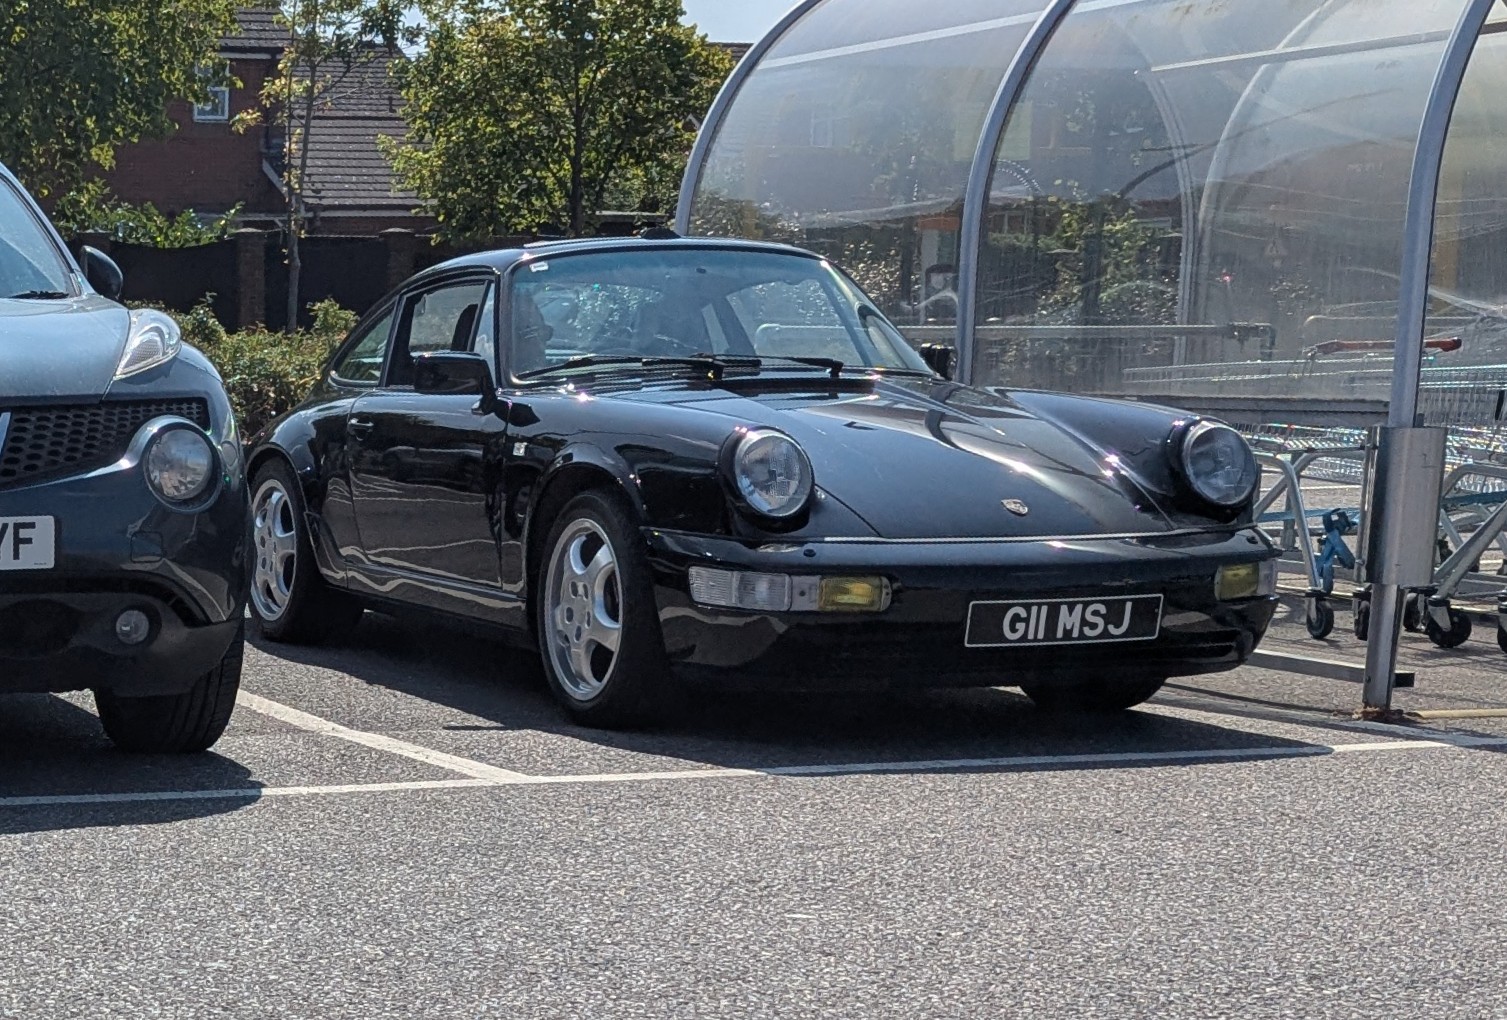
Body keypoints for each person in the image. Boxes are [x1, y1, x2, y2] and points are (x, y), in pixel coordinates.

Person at [512, 289, 554, 373]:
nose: (540, 345)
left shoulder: (556, 370)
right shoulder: (508, 376)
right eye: (530, 334)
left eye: (543, 333)